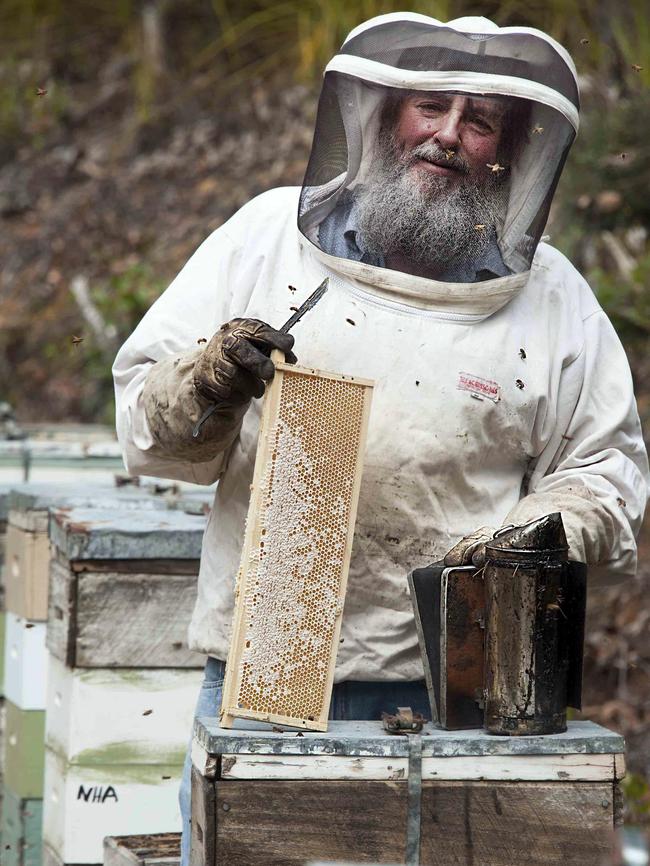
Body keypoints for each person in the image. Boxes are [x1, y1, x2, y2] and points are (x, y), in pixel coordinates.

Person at [112, 13, 649, 863]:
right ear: (380, 115)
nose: (447, 136)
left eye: (477, 121)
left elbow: (606, 469)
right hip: (269, 679)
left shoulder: (554, 298)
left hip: (467, 694)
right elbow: (146, 427)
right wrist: (207, 381)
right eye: (429, 107)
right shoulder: (263, 240)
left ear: (507, 148)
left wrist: (535, 537)